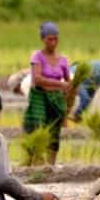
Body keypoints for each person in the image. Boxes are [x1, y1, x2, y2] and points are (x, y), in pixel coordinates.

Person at [23, 21, 70, 165]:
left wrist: (69, 94)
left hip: (56, 100)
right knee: (38, 127)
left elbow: (69, 82)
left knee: (54, 132)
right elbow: (37, 79)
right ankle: (36, 162)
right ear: (43, 39)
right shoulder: (37, 56)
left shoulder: (63, 60)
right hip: (39, 97)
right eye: (50, 39)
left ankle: (51, 166)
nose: (53, 42)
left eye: (56, 38)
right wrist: (60, 84)